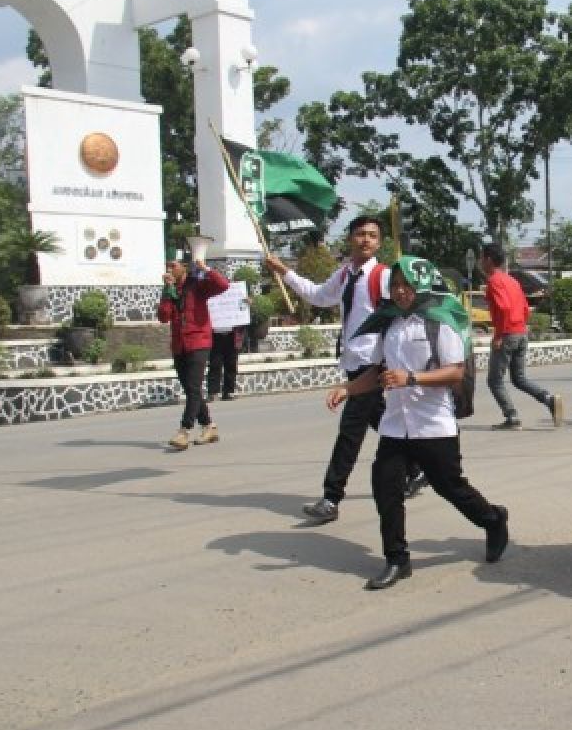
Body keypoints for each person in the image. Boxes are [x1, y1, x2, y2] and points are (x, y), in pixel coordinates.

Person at [326, 256, 509, 590]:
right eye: (394, 285)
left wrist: (411, 378)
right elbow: (377, 372)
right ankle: (397, 558)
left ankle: (493, 520)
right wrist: (347, 388)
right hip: (396, 425)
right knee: (385, 487)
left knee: (450, 487)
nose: (399, 292)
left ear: (421, 284)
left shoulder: (440, 321)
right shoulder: (390, 325)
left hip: (433, 423)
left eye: (405, 285)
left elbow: (455, 371)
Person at [265, 216, 426, 526]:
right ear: (350, 239)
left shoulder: (382, 276)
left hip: (373, 362)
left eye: (372, 236)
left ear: (379, 243)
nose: (366, 240)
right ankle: (419, 467)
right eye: (360, 234)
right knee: (382, 420)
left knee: (350, 433)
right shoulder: (345, 275)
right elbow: (318, 295)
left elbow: (404, 312)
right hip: (355, 361)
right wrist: (285, 272)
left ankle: (331, 497)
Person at [480, 242, 564, 430]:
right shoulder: (512, 281)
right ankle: (549, 400)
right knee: (519, 379)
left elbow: (504, 308)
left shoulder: (494, 281)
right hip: (520, 332)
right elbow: (525, 309)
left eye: (481, 258)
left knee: (494, 380)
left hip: (507, 334)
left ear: (488, 259)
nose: (479, 262)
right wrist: (519, 327)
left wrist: (499, 335)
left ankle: (512, 417)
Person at [158, 248, 230, 450]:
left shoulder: (197, 284)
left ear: (184, 267)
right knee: (192, 389)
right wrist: (166, 291)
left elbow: (223, 285)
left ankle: (184, 431)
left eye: (173, 265)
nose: (170, 269)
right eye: (168, 266)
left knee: (192, 387)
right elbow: (163, 317)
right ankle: (209, 426)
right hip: (179, 345)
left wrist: (206, 269)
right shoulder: (171, 290)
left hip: (199, 342)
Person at [206, 324, 245, 401]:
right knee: (215, 364)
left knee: (231, 364)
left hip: (232, 334)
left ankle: (229, 392)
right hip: (215, 334)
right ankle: (213, 393)